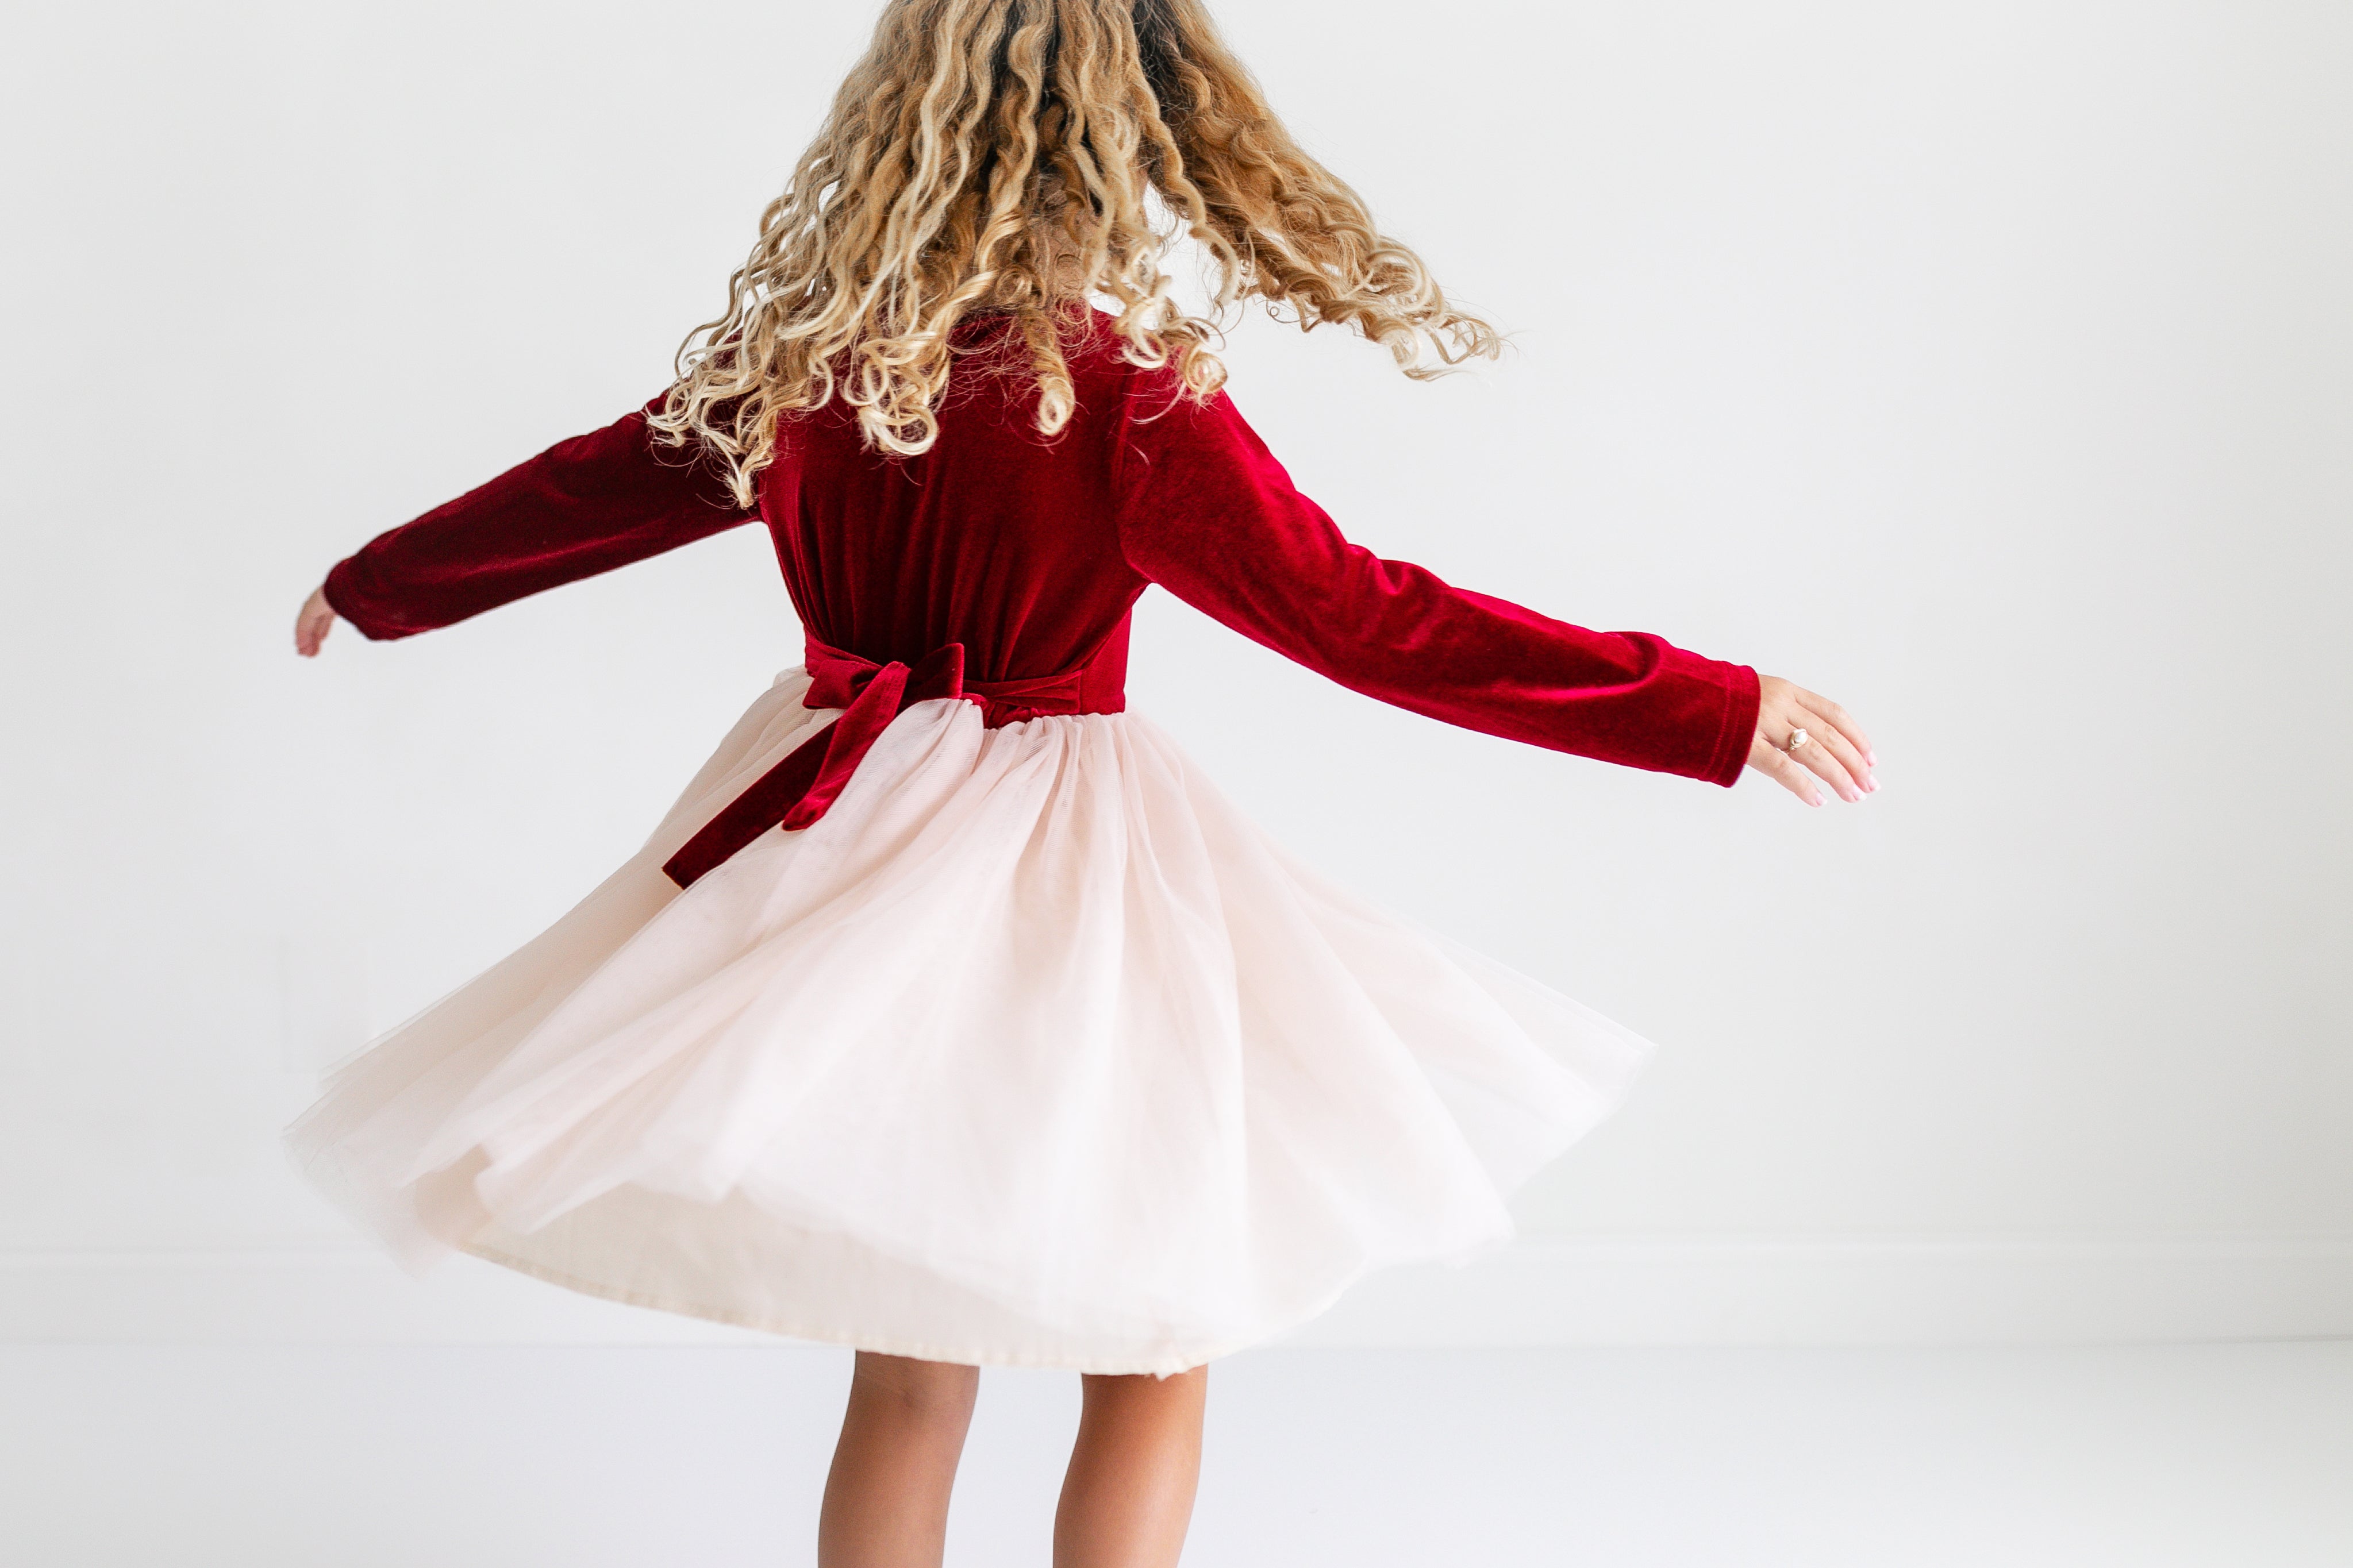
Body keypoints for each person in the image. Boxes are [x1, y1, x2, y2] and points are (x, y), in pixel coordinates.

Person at [286, 1, 1875, 1562]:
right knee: (1159, 1328)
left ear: (896, 123)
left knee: (910, 1353)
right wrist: (1701, 708)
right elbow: (1367, 617)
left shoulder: (811, 370)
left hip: (834, 853)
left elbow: (591, 487)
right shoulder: (1116, 398)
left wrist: (380, 581)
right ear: (1137, 145)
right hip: (1071, 882)